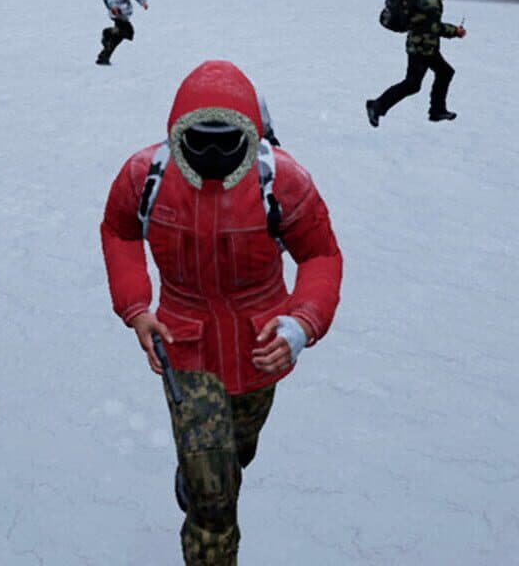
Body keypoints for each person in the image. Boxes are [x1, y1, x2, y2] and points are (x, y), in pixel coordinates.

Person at [100, 60, 344, 565]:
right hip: (185, 349)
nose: (212, 153)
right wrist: (136, 307)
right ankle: (206, 499)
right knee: (213, 503)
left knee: (237, 452)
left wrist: (302, 323)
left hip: (262, 351)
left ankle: (207, 471)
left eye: (226, 139)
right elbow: (120, 231)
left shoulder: (283, 181)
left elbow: (321, 255)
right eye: (199, 139)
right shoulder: (144, 176)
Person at [367, 0, 465, 125]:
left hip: (424, 46)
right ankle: (376, 106)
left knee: (444, 73)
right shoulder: (431, 0)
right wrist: (455, 31)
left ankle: (437, 110)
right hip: (421, 49)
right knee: (413, 84)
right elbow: (434, 28)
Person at [97, 0, 149, 65]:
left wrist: (143, 2)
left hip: (125, 10)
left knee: (119, 36)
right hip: (116, 10)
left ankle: (104, 56)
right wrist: (113, 6)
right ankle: (107, 33)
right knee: (127, 32)